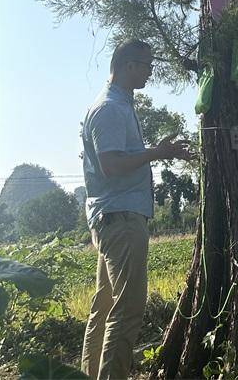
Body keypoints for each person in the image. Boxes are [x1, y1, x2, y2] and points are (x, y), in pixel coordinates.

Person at [80, 39, 192, 379]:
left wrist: (160, 151)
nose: (150, 72)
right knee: (126, 312)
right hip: (122, 220)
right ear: (129, 65)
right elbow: (112, 164)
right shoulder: (110, 109)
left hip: (113, 217)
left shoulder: (119, 104)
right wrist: (158, 153)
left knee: (104, 307)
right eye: (147, 65)